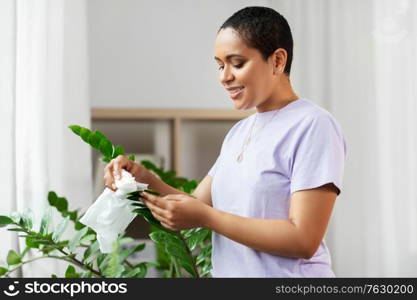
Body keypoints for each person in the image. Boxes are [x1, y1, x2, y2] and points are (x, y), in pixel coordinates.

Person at [104, 6, 346, 277]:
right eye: (220, 65)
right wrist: (142, 178)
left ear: (277, 60)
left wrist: (208, 218)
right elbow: (196, 205)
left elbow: (303, 240)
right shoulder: (239, 133)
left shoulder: (313, 125)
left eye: (237, 63)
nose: (224, 76)